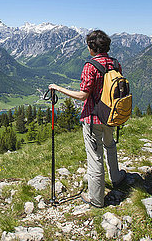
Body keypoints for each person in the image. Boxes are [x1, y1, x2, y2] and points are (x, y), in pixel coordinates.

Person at [48, 30, 125, 208]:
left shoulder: (90, 66)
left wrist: (59, 88)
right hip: (111, 115)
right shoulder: (115, 63)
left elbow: (83, 95)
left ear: (91, 47)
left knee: (95, 158)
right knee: (110, 146)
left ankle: (96, 199)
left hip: (93, 119)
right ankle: (116, 177)